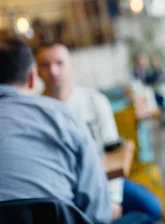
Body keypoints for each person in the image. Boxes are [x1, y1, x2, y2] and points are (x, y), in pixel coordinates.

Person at [36, 42, 163, 223]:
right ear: (37, 72)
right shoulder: (35, 111)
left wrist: (114, 198)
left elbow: (113, 150)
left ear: (71, 67)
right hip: (64, 189)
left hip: (102, 179)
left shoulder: (94, 100)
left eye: (59, 63)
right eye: (45, 65)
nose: (53, 71)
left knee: (151, 208)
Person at [0, 37, 112, 223]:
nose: (53, 71)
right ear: (32, 78)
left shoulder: (91, 101)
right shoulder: (62, 115)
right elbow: (98, 210)